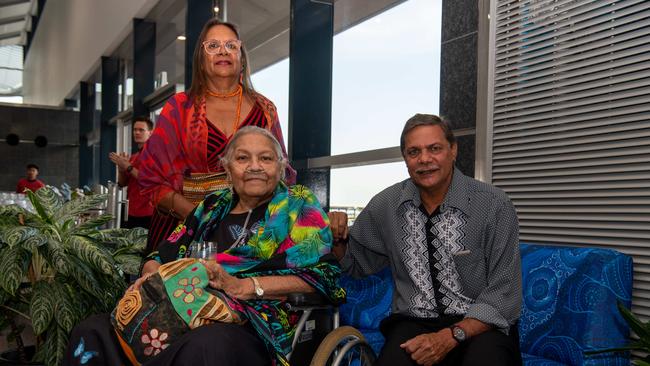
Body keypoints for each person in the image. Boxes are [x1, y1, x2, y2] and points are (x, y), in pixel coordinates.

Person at [65, 126, 343, 366]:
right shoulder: (211, 207)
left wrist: (244, 286)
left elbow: (321, 276)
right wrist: (152, 276)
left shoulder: (299, 205)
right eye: (243, 158)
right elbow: (161, 255)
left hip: (255, 320)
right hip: (177, 311)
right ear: (227, 167)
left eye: (266, 158)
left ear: (280, 167)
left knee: (205, 345)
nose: (255, 166)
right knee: (92, 330)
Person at [328, 114, 522, 366]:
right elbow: (356, 263)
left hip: (481, 326)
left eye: (435, 148)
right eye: (414, 151)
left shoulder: (494, 205)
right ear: (405, 159)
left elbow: (504, 294)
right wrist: (337, 237)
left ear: (453, 150)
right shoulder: (386, 205)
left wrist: (450, 336)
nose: (424, 159)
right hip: (413, 323)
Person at [138, 19, 295, 259]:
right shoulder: (179, 107)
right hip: (184, 228)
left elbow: (282, 172)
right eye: (213, 45)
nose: (223, 51)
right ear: (201, 59)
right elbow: (153, 178)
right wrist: (201, 220)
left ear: (241, 58)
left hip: (251, 231)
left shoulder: (265, 109)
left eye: (231, 45)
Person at [109, 116, 155, 229]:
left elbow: (148, 180)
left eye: (141, 130)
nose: (137, 132)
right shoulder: (134, 157)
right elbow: (122, 183)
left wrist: (128, 167)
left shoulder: (154, 154)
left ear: (150, 133)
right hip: (131, 211)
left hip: (148, 213)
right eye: (135, 130)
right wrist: (121, 169)